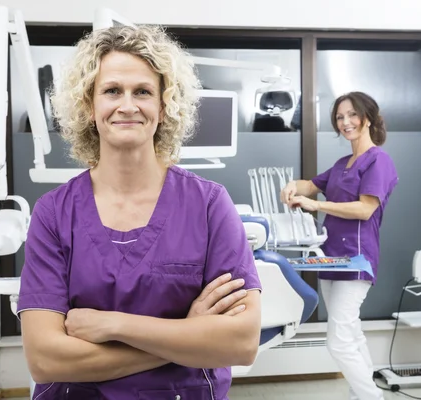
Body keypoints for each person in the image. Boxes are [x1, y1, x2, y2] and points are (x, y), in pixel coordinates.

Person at [16, 25, 262, 400]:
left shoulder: (209, 205)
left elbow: (241, 342)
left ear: (164, 107)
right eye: (112, 90)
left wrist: (114, 325)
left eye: (143, 92)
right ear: (89, 106)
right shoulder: (54, 213)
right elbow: (45, 359)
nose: (128, 105)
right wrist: (186, 333)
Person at [280, 92, 398, 400]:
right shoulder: (343, 163)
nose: (345, 122)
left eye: (352, 115)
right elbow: (312, 185)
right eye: (339, 117)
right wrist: (294, 186)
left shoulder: (379, 161)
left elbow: (365, 209)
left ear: (367, 118)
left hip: (356, 260)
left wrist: (317, 206)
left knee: (339, 341)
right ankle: (361, 395)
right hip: (330, 259)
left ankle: (372, 398)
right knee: (352, 333)